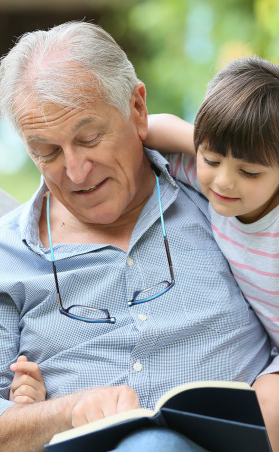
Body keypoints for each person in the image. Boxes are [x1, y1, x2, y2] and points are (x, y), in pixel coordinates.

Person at [0, 22, 271, 452]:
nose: (76, 172)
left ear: (137, 109)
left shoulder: (225, 205)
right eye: (47, 152)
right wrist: (65, 413)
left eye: (89, 138)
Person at [141, 57, 279, 451]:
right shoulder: (203, 173)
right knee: (264, 412)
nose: (224, 182)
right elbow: (148, 129)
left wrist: (218, 147)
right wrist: (206, 142)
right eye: (212, 160)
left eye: (249, 172)